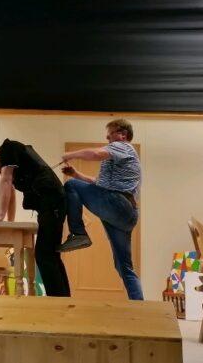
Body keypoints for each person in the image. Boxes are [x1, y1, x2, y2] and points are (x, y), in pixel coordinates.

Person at [0, 139, 71, 297]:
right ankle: (63, 299)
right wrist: (10, 222)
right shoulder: (10, 163)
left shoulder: (8, 149)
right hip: (50, 205)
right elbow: (11, 193)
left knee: (44, 255)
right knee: (50, 254)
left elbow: (6, 180)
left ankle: (57, 301)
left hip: (52, 203)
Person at [58, 119, 143, 300]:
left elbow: (96, 154)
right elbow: (99, 184)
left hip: (118, 204)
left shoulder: (123, 146)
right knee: (124, 267)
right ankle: (139, 307)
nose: (107, 139)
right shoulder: (123, 156)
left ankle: (78, 234)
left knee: (71, 186)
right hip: (126, 214)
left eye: (110, 134)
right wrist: (76, 174)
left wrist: (71, 154)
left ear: (122, 135)